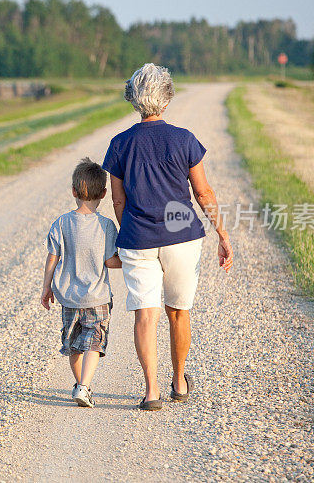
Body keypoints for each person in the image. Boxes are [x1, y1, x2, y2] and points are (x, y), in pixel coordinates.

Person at [102, 63, 233, 411]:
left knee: (145, 314)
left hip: (136, 240)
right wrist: (222, 233)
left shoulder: (119, 143)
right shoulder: (184, 139)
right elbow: (203, 194)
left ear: (133, 98)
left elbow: (117, 200)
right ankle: (179, 381)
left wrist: (128, 225)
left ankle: (151, 392)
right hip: (183, 238)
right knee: (179, 311)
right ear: (167, 97)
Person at [41, 158, 122, 408]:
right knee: (94, 341)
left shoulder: (61, 223)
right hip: (97, 296)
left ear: (74, 191)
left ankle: (80, 385)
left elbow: (52, 257)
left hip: (68, 296)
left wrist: (46, 287)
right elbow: (110, 262)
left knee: (73, 343)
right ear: (105, 193)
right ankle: (84, 387)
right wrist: (130, 262)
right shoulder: (106, 225)